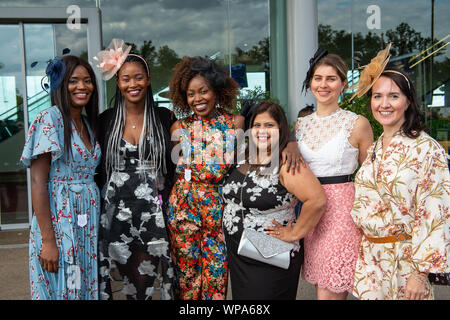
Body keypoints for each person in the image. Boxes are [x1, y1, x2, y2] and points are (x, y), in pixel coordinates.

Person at [167, 56, 303, 300]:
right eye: (191, 94)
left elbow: (269, 121)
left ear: (217, 90)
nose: (197, 99)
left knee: (217, 276)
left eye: (203, 91)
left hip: (219, 210)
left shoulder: (236, 122)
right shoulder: (179, 127)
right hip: (183, 209)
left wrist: (290, 142)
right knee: (186, 279)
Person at [349, 44, 450, 300]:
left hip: (407, 265)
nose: (384, 104)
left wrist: (420, 274)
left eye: (393, 96)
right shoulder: (374, 148)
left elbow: (435, 211)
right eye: (377, 96)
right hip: (371, 261)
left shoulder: (427, 149)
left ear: (407, 101)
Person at [94, 39, 174, 300]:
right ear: (117, 83)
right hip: (117, 213)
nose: (132, 84)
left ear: (148, 79)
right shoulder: (105, 121)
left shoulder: (164, 117)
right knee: (130, 282)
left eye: (138, 78)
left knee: (146, 281)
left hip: (153, 213)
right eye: (125, 79)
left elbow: (182, 158)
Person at [222, 101, 327, 300]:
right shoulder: (243, 156)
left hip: (269, 254)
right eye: (257, 125)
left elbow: (317, 200)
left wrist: (294, 233)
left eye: (269, 125)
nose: (262, 131)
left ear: (280, 129)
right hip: (240, 254)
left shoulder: (287, 163)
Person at [294, 49, 374, 300]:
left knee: (329, 292)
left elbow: (371, 177)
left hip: (341, 211)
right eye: (318, 78)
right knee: (320, 286)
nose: (323, 84)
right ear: (310, 83)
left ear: (342, 83)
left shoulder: (357, 123)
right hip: (309, 210)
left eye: (331, 78)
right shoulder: (301, 125)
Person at [21, 55, 101, 300]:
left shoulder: (87, 124)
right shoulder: (50, 120)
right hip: (59, 222)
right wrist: (48, 241)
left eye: (87, 81)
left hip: (85, 225)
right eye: (73, 81)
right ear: (60, 85)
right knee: (64, 287)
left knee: (81, 285)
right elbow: (37, 181)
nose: (82, 87)